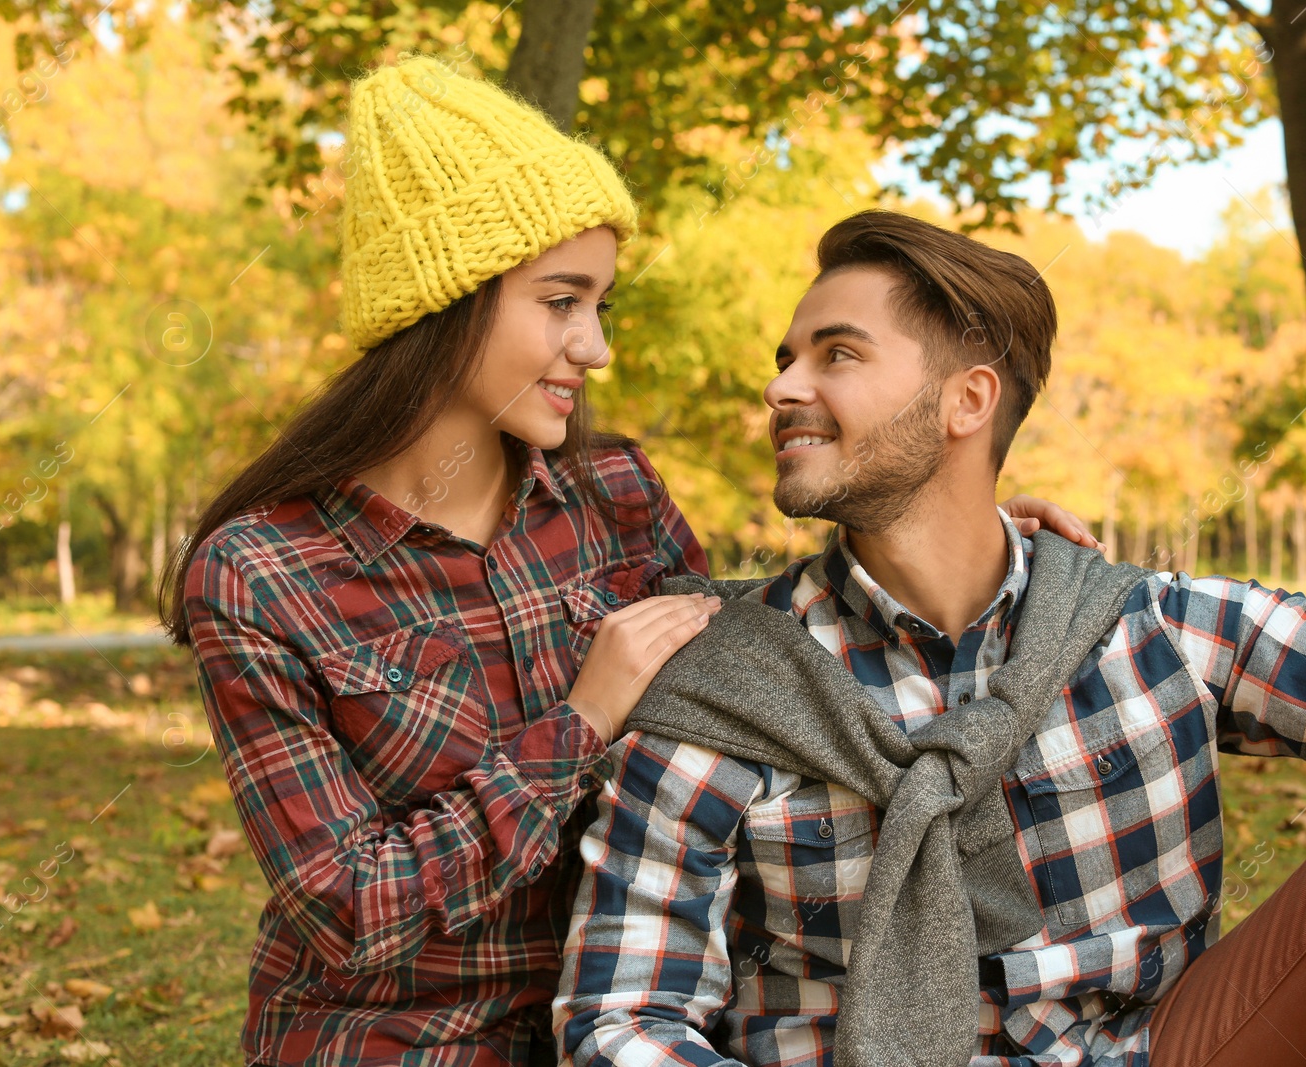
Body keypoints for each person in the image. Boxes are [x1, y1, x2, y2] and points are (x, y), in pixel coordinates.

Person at [162, 58, 1095, 1066]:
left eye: (600, 304)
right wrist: (579, 724)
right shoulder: (262, 572)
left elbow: (751, 659)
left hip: (635, 1018)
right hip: (399, 1041)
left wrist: (952, 527)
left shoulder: (612, 494)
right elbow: (348, 908)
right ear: (446, 305)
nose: (593, 346)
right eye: (562, 301)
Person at [553, 210, 1306, 1067]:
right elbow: (620, 1019)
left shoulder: (1139, 624)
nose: (780, 388)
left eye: (836, 354)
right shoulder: (723, 688)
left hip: (1163, 1049)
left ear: (967, 400)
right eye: (784, 360)